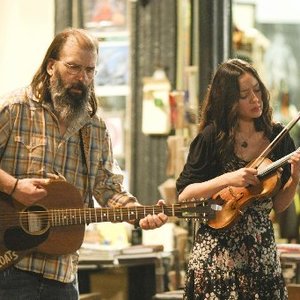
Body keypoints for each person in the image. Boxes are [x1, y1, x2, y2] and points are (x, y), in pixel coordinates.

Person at [0, 28, 168, 299]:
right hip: (9, 268)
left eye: (90, 70)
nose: (82, 78)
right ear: (51, 66)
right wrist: (14, 187)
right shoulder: (16, 108)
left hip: (63, 277)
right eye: (73, 67)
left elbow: (109, 190)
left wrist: (139, 214)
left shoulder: (94, 128)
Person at [176, 58, 300, 299]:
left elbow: (278, 205)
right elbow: (184, 195)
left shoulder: (280, 137)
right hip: (216, 259)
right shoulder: (213, 138)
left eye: (257, 90)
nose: (255, 99)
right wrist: (230, 178)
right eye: (245, 94)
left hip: (261, 258)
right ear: (229, 101)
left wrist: (294, 180)